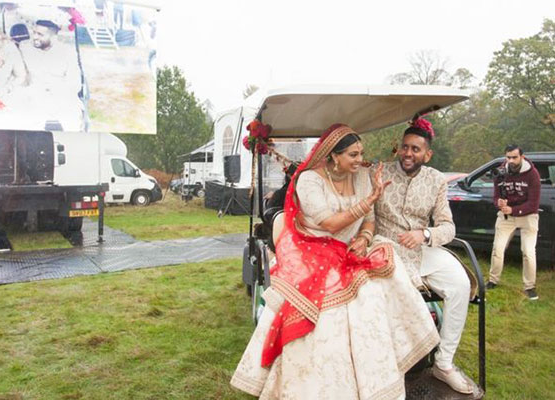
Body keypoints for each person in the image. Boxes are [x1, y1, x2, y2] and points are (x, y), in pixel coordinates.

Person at [230, 123, 440, 399]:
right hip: (315, 249)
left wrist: (364, 239)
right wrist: (370, 200)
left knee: (376, 294)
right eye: (353, 155)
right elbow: (329, 224)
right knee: (329, 313)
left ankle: (380, 378)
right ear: (333, 156)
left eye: (360, 153)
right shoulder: (309, 180)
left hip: (352, 249)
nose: (359, 159)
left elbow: (370, 220)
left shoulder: (362, 174)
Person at [373, 118, 474, 394]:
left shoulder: (436, 180)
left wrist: (424, 235)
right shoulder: (379, 173)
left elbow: (448, 227)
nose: (408, 153)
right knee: (398, 293)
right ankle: (391, 368)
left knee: (460, 285)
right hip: (386, 249)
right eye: (405, 147)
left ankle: (443, 363)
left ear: (427, 154)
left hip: (421, 249)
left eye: (416, 149)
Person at [486, 144, 541, 300]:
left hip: (528, 215)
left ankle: (530, 287)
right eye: (508, 157)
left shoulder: (532, 174)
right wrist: (500, 204)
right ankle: (493, 280)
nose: (511, 160)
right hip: (506, 217)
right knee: (497, 248)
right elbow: (496, 196)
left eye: (514, 157)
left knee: (528, 252)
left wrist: (514, 210)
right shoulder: (501, 172)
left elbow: (534, 204)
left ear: (522, 157)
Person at [19, 19, 84, 131]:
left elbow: (75, 83)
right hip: (34, 96)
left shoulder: (66, 52)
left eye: (40, 34)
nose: (34, 37)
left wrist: (56, 93)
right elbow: (21, 77)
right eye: (34, 32)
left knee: (72, 122)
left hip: (62, 97)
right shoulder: (25, 48)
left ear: (53, 36)